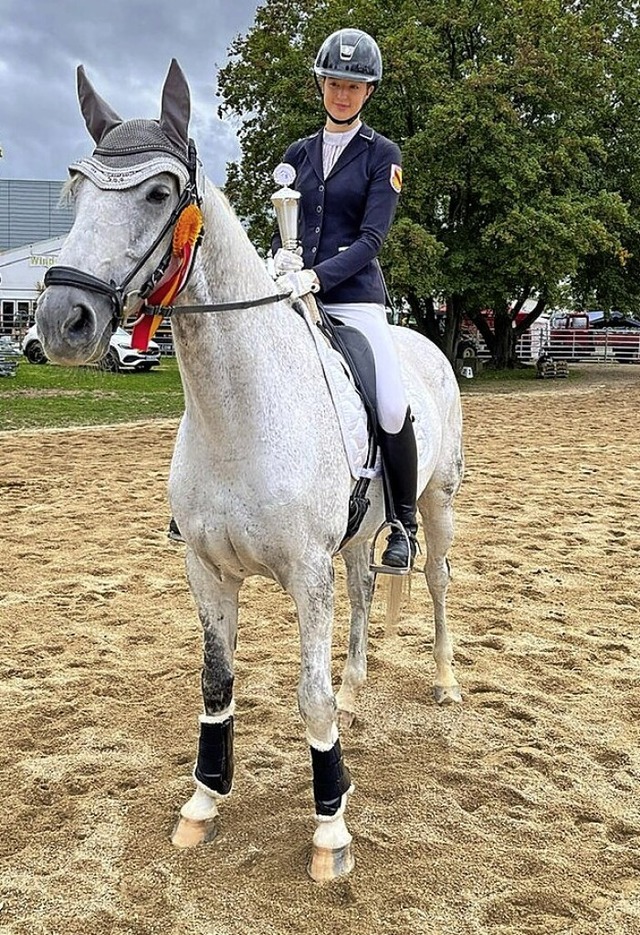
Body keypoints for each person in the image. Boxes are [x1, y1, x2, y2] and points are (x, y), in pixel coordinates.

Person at [272, 28, 418, 569]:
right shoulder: (297, 153)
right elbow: (286, 225)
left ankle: (404, 522)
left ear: (368, 92)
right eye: (335, 82)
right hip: (294, 294)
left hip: (355, 299)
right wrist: (283, 263)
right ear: (321, 84)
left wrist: (317, 277)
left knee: (391, 403)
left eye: (354, 86)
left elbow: (371, 240)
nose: (343, 94)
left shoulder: (383, 155)